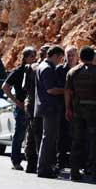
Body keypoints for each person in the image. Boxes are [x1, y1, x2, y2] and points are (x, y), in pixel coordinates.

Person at [65, 46, 96, 182]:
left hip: (77, 110)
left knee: (77, 140)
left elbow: (67, 91)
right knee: (95, 141)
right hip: (94, 110)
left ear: (80, 57)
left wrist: (68, 108)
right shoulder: (95, 71)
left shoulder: (72, 71)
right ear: (93, 58)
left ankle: (74, 171)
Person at [2, 46, 37, 171]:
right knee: (19, 134)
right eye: (32, 56)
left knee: (32, 135)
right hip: (22, 106)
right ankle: (16, 161)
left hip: (33, 106)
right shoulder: (18, 71)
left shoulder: (34, 70)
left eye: (35, 56)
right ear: (25, 57)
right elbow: (5, 86)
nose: (34, 59)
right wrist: (16, 101)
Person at [35, 46, 66, 178]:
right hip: (49, 107)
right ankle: (43, 169)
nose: (60, 61)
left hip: (44, 107)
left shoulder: (41, 66)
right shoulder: (47, 69)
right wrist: (66, 90)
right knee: (48, 139)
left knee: (47, 138)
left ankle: (44, 167)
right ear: (55, 55)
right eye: (60, 58)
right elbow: (50, 90)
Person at [23, 45, 49, 174]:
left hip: (31, 103)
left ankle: (31, 164)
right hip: (38, 104)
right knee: (39, 135)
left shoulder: (31, 67)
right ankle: (40, 164)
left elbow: (25, 87)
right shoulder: (44, 68)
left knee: (31, 134)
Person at [56, 46, 78, 170]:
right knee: (62, 135)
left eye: (72, 55)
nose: (70, 58)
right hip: (62, 106)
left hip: (78, 107)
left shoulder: (81, 70)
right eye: (68, 55)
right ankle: (61, 162)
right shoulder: (59, 70)